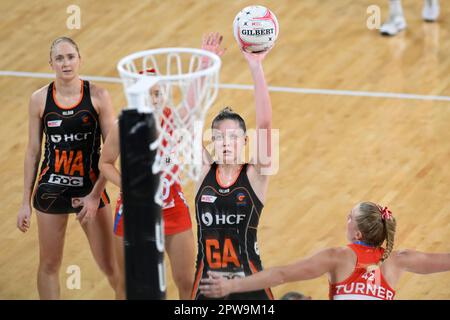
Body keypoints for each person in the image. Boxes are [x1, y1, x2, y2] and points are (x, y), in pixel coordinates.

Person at [99, 33, 225, 300]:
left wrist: (203, 65)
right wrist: (127, 185)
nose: (155, 98)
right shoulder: (125, 126)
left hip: (171, 207)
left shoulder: (172, 119)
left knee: (186, 280)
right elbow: (105, 163)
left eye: (158, 93)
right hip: (134, 210)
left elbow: (192, 103)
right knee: (127, 285)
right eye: (149, 94)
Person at [16, 36, 120, 299]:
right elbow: (32, 151)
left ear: (80, 60)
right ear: (51, 63)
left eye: (70, 56)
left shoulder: (98, 96)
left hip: (90, 189)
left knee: (111, 266)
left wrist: (96, 195)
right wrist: (24, 202)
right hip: (51, 189)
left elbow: (110, 154)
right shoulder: (39, 100)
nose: (66, 63)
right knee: (49, 264)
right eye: (59, 58)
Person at [200, 202, 450, 300]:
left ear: (358, 233)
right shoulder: (398, 260)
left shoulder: (338, 257)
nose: (346, 219)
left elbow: (281, 274)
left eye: (349, 217)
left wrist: (231, 286)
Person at [191, 41, 275, 300]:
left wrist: (255, 66)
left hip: (250, 282)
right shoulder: (203, 171)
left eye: (233, 137)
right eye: (218, 137)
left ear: (245, 141)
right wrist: (205, 67)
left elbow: (264, 122)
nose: (226, 143)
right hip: (207, 283)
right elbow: (191, 118)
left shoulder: (255, 174)